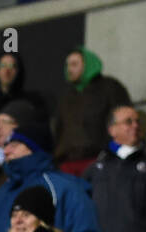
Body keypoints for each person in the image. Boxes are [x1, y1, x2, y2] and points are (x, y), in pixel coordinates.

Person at [0, 116, 106, 232]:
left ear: (33, 147)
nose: (6, 150)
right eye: (6, 145)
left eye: (14, 144)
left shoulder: (63, 187)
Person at [53, 44, 133, 175]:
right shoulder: (66, 97)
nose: (69, 69)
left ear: (88, 65)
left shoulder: (110, 87)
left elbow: (123, 119)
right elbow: (59, 130)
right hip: (68, 163)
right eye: (67, 65)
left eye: (74, 64)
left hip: (99, 160)